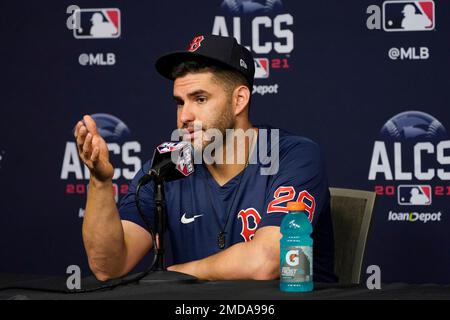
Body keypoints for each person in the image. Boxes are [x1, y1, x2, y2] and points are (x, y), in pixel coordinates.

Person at [74, 34, 337, 282]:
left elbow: (268, 259)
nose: (184, 116)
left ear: (239, 100)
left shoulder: (293, 156)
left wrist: (174, 276)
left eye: (200, 99)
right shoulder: (169, 166)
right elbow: (108, 266)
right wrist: (100, 181)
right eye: (180, 101)